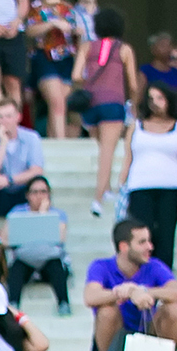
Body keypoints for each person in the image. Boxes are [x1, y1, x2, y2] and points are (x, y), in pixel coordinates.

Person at [84, 219, 177, 351]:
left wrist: (143, 291)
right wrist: (124, 293)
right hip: (117, 336)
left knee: (173, 309)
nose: (150, 246)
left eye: (149, 241)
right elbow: (90, 296)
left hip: (148, 334)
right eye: (142, 242)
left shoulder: (154, 266)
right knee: (106, 311)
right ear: (124, 246)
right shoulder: (102, 266)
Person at [118, 83, 177, 272]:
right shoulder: (136, 126)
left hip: (171, 188)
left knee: (166, 237)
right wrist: (121, 184)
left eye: (160, 98)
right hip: (140, 187)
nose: (156, 103)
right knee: (142, 236)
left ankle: (164, 279)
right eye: (151, 98)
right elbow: (128, 157)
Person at [74, 11, 136, 211]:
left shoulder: (87, 47)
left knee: (103, 149)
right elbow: (133, 83)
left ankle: (107, 188)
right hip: (113, 105)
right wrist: (133, 102)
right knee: (107, 153)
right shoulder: (124, 49)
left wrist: (92, 84)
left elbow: (76, 75)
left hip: (90, 105)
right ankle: (98, 199)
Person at [2, 177, 71, 314]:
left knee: (57, 268)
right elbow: (4, 239)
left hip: (49, 258)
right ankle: (13, 305)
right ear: (27, 195)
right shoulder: (17, 212)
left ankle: (64, 303)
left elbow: (60, 238)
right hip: (25, 257)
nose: (39, 196)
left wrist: (43, 214)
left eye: (43, 192)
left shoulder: (58, 214)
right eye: (34, 192)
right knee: (16, 269)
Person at [27, 0, 83, 136]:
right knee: (57, 101)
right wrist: (53, 24)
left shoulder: (70, 8)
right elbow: (30, 30)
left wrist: (77, 32)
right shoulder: (37, 6)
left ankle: (54, 143)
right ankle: (61, 145)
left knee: (59, 105)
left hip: (66, 59)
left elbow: (76, 36)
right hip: (45, 57)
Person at [0, 98, 45, 217]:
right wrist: (3, 143)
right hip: (0, 192)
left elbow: (37, 170)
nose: (5, 121)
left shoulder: (31, 138)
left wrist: (9, 180)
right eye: (0, 117)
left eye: (9, 116)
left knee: (39, 184)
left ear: (18, 117)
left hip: (22, 188)